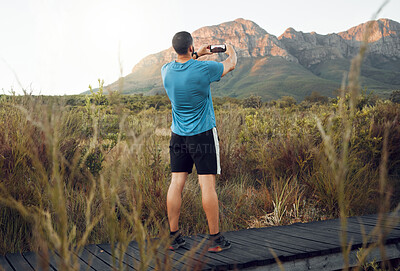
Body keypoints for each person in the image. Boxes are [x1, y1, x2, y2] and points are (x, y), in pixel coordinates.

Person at [161, 31, 237, 253]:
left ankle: (173, 237)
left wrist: (196, 55)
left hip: (178, 136)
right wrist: (229, 48)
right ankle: (215, 239)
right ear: (191, 46)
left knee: (176, 184)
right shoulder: (204, 69)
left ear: (175, 49)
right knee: (207, 185)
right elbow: (230, 64)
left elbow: (183, 69)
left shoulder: (166, 71)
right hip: (202, 134)